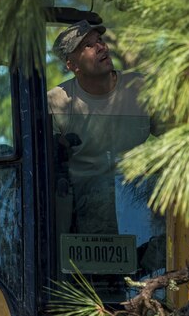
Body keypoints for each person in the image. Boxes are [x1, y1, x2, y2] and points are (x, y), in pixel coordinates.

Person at [47, 19, 159, 237]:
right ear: (72, 65)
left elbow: (178, 139)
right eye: (87, 46)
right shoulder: (56, 103)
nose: (101, 47)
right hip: (83, 213)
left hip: (138, 205)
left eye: (99, 40)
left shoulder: (140, 89)